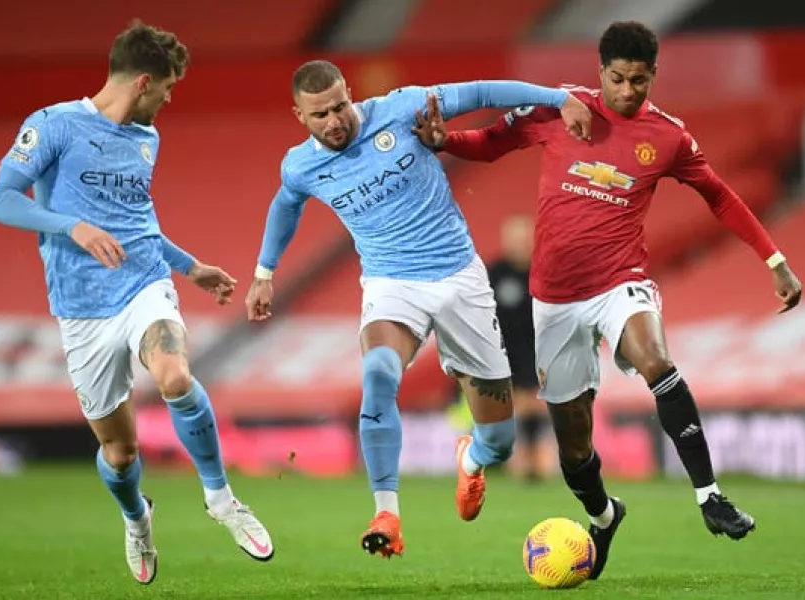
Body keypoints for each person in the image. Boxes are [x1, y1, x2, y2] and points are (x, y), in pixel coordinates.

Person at [412, 20, 803, 579]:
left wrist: (775, 260)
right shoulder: (562, 111)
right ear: (601, 72)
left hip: (620, 282)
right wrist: (446, 140)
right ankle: (603, 514)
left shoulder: (668, 137)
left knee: (657, 361)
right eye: (617, 78)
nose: (626, 91)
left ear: (653, 77)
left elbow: (718, 194)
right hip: (554, 300)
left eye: (638, 81)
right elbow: (492, 143)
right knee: (573, 447)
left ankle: (710, 495)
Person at [243, 60, 592, 559]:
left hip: (460, 280)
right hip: (391, 284)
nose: (335, 120)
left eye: (341, 106)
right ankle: (387, 512)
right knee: (379, 372)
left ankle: (471, 460)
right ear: (299, 115)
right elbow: (286, 203)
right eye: (320, 114)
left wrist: (558, 98)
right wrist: (263, 272)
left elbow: (483, 88)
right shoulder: (300, 165)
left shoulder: (402, 107)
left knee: (499, 439)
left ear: (350, 95)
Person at [0, 21, 274, 585]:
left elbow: (137, 223)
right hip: (81, 305)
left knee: (174, 375)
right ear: (144, 81)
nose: (168, 99)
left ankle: (221, 499)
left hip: (142, 285)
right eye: (167, 87)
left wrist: (190, 267)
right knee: (119, 454)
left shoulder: (147, 139)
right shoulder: (54, 125)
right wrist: (73, 227)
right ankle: (136, 516)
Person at [487, 214, 553, 482]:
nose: (518, 244)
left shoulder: (543, 272)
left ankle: (533, 459)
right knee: (510, 405)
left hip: (536, 350)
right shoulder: (495, 273)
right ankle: (510, 458)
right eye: (513, 239)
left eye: (522, 239)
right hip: (502, 351)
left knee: (532, 404)